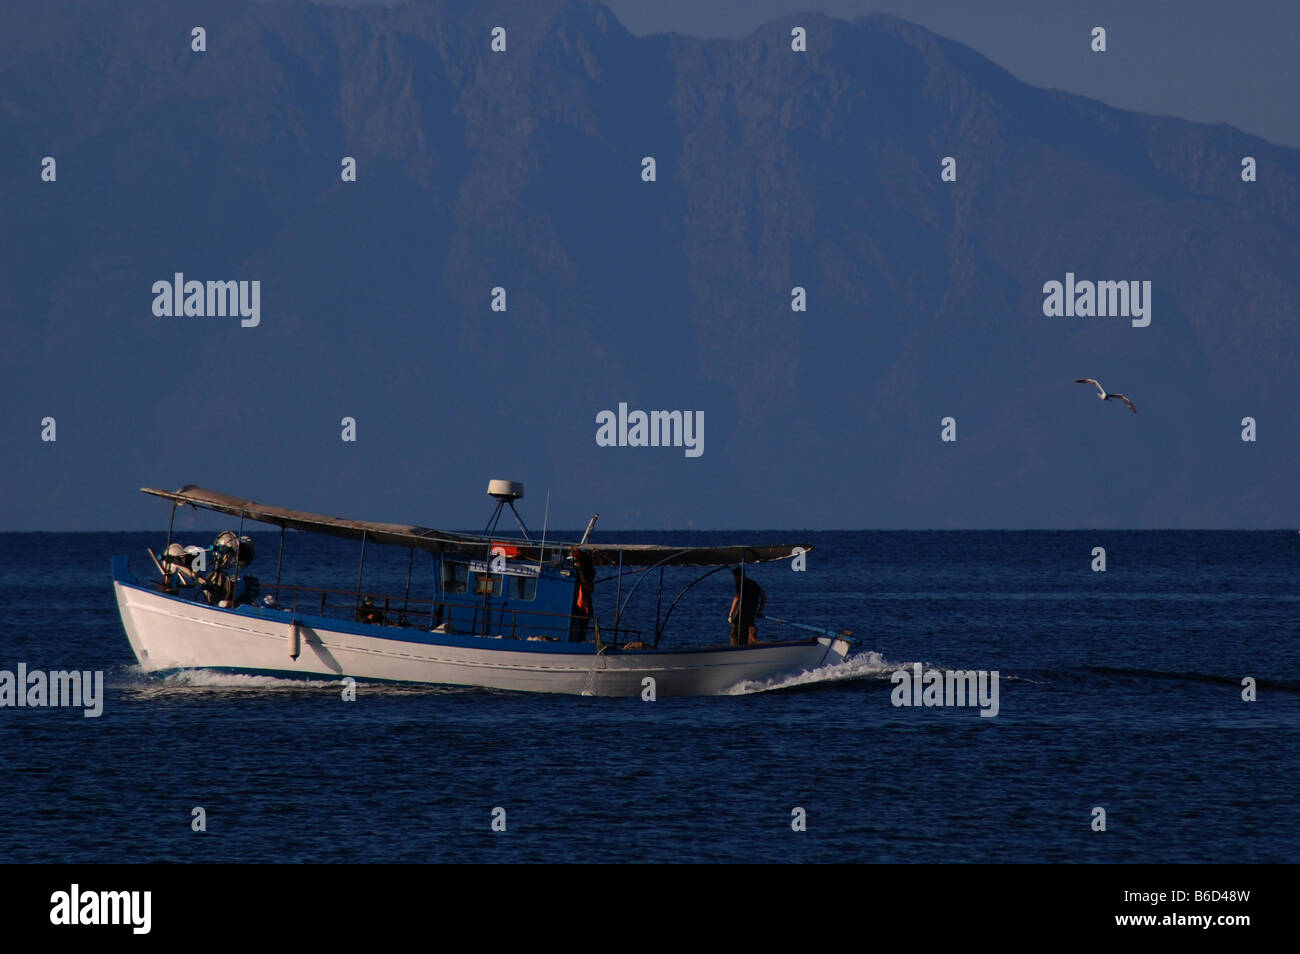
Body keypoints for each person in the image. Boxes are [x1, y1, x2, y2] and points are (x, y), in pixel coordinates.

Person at [728, 567, 766, 646]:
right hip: (750, 615)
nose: (734, 579)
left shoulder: (740, 583)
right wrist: (760, 610)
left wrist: (731, 614)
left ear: (737, 576)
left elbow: (737, 598)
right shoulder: (753, 583)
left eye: (734, 577)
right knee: (748, 636)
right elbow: (764, 596)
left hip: (739, 615)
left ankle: (734, 652)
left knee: (734, 635)